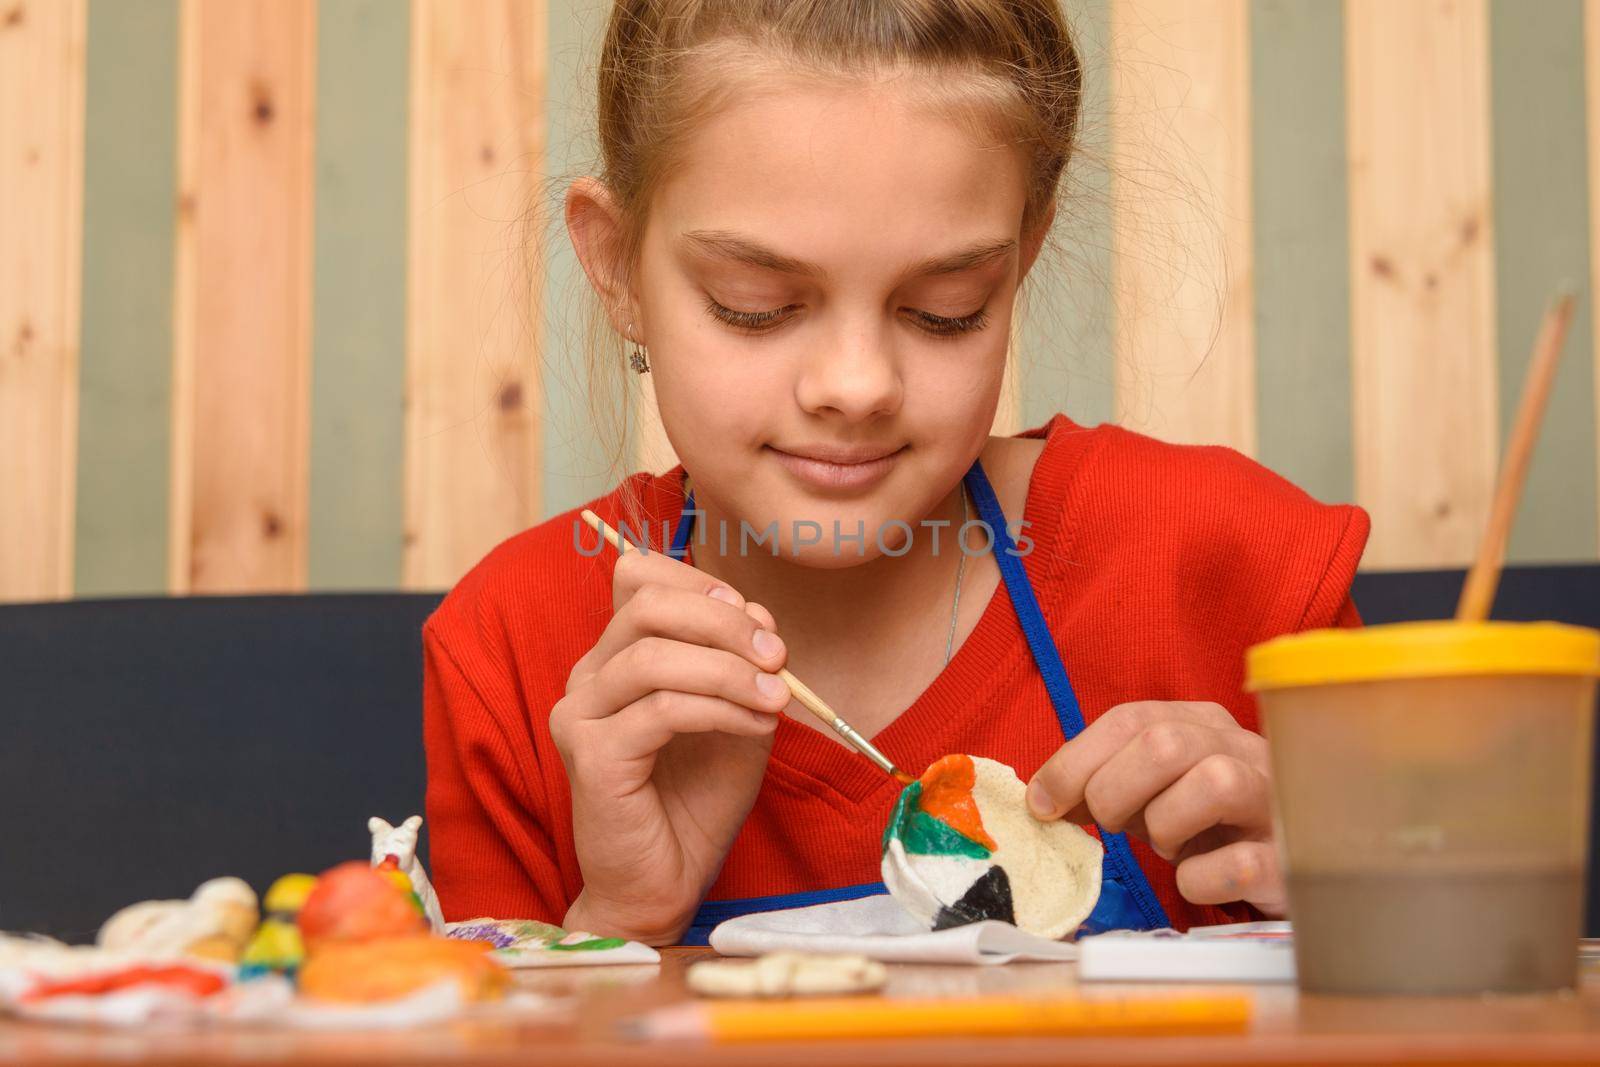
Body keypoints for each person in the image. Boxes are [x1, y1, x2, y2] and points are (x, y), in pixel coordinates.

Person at [422, 0, 1369, 947]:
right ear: (617, 264)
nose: (857, 385)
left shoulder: (1235, 566)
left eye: (946, 308)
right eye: (755, 306)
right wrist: (621, 923)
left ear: (1021, 257)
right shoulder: (511, 650)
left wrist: (1363, 893)